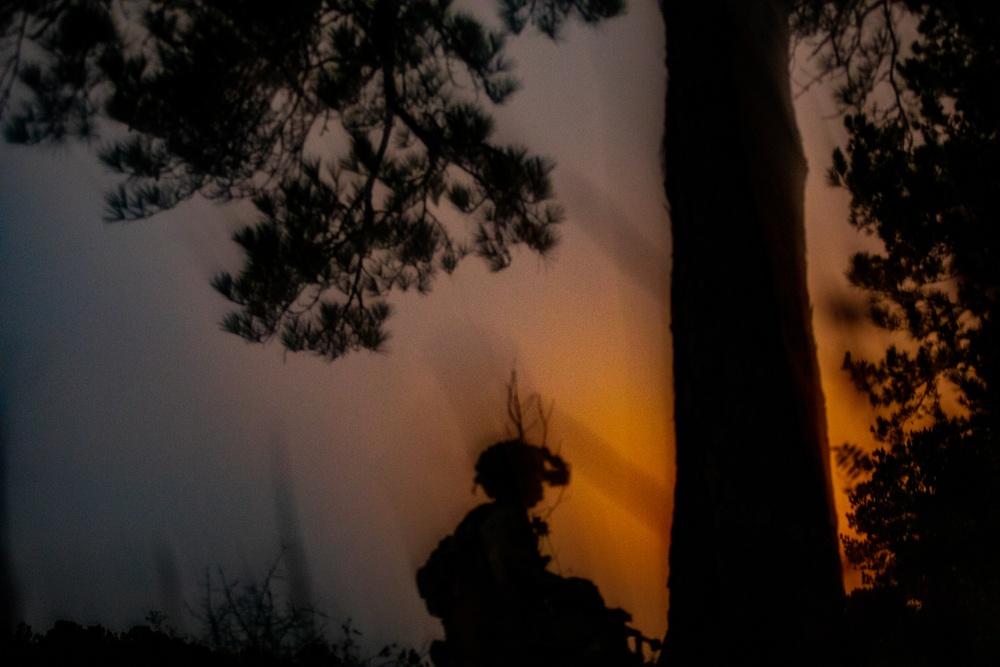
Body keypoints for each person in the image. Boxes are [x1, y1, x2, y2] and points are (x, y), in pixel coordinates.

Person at [417, 439, 649, 667]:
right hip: (500, 645)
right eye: (532, 473)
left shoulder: (487, 519)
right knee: (603, 636)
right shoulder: (501, 521)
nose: (539, 481)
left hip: (489, 642)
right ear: (516, 478)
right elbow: (521, 581)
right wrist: (581, 595)